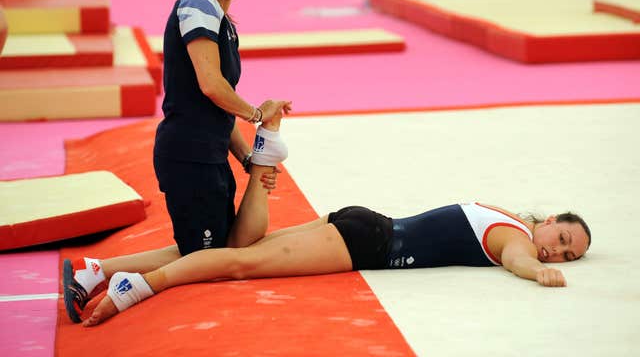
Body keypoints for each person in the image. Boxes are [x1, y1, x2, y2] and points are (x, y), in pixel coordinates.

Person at [62, 115, 592, 327]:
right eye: (562, 239)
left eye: (566, 255)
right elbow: (520, 258)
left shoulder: (504, 214)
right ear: (548, 220)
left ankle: (97, 267)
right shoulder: (513, 236)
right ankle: (139, 286)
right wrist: (537, 273)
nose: (556, 252)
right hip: (366, 243)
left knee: (229, 248)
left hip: (361, 224)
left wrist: (539, 262)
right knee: (240, 264)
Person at [62, 0, 291, 323]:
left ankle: (95, 270)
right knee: (211, 256)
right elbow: (211, 86)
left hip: (207, 154)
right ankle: (119, 283)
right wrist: (257, 115)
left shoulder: (223, 19)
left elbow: (218, 108)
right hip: (189, 155)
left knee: (210, 249)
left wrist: (248, 159)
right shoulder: (198, 3)